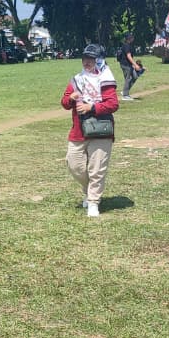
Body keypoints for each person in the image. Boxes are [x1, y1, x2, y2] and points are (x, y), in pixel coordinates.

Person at [61, 44, 120, 217]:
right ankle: (89, 191)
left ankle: (93, 202)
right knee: (74, 165)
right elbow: (64, 103)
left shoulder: (106, 79)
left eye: (91, 59)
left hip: (101, 130)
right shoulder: (77, 80)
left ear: (99, 60)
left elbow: (113, 104)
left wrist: (91, 107)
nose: (87, 62)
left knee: (97, 168)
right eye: (85, 58)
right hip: (79, 130)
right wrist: (70, 99)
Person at [118, 32, 140, 101]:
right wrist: (135, 65)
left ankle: (125, 91)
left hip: (128, 64)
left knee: (135, 76)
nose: (133, 38)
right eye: (132, 37)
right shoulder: (126, 45)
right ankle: (125, 95)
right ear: (129, 38)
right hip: (125, 65)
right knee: (128, 78)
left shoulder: (129, 45)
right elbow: (128, 56)